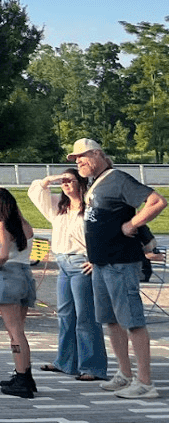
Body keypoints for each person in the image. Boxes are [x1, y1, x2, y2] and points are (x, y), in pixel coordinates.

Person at [71, 137, 166, 399]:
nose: (78, 161)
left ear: (98, 154)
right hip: (102, 263)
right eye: (75, 158)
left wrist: (132, 224)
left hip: (121, 262)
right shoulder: (95, 184)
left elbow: (157, 201)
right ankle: (124, 373)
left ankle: (145, 382)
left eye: (82, 156)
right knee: (111, 320)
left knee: (132, 320)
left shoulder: (118, 179)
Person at [28, 167, 106, 382]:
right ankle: (66, 361)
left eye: (70, 181)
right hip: (62, 261)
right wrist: (51, 179)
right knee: (65, 314)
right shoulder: (58, 207)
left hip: (82, 262)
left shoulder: (91, 207)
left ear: (82, 184)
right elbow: (35, 192)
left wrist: (96, 258)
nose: (66, 184)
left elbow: (103, 232)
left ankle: (93, 366)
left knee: (85, 316)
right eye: (64, 182)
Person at [0, 188, 38, 398]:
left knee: (14, 333)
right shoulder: (24, 224)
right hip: (25, 275)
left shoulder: (2, 226)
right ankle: (25, 373)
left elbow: (4, 254)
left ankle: (22, 378)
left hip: (8, 276)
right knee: (19, 331)